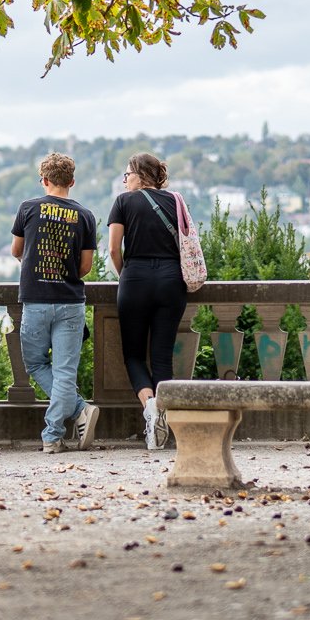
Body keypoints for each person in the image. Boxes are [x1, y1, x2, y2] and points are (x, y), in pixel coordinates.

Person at [10, 152, 97, 454]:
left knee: (35, 363)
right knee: (64, 371)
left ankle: (59, 428)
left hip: (35, 299)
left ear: (43, 180)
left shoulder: (28, 208)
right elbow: (85, 267)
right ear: (72, 181)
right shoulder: (85, 216)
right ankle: (59, 428)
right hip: (71, 301)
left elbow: (16, 250)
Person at [107, 151, 188, 449]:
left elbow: (114, 249)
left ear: (139, 175)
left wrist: (124, 275)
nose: (125, 179)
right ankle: (162, 421)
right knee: (163, 356)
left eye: (127, 174)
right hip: (171, 281)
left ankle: (150, 407)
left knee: (133, 355)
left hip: (136, 279)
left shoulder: (123, 202)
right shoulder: (176, 201)